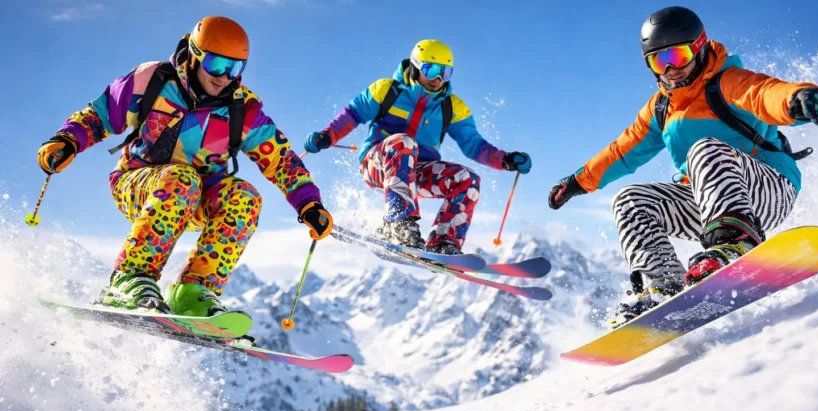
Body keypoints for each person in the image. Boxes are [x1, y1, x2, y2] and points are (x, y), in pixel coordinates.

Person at [546, 6, 818, 329]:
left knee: (704, 149)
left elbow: (764, 93)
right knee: (630, 200)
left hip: (767, 189)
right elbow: (623, 150)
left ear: (699, 48)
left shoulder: (727, 82)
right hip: (707, 203)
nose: (671, 69)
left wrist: (798, 98)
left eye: (679, 56)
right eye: (659, 61)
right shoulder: (661, 108)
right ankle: (661, 284)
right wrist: (577, 182)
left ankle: (737, 241)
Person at [36, 16, 333, 323]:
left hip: (199, 194)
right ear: (195, 55)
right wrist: (68, 140)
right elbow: (101, 113)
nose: (224, 77)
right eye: (217, 65)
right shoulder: (152, 80)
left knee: (245, 197)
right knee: (182, 178)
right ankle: (129, 279)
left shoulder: (243, 109)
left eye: (235, 68)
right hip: (139, 184)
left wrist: (308, 202)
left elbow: (281, 159)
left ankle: (193, 293)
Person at [302, 39, 532, 255]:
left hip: (418, 171)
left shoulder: (451, 107)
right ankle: (398, 225)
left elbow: (474, 144)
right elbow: (352, 114)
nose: (438, 79)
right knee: (403, 142)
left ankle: (443, 242)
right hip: (378, 164)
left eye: (446, 72)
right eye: (432, 70)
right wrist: (327, 136)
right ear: (415, 66)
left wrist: (505, 159)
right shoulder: (386, 90)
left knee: (468, 179)